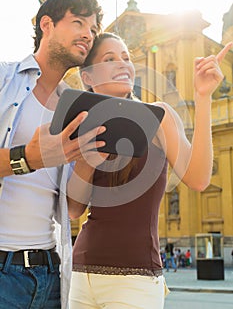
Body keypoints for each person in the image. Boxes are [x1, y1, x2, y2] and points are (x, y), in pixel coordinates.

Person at [67, 32, 232, 309]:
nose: (123, 64)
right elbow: (74, 209)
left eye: (126, 57)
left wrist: (202, 98)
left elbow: (199, 178)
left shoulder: (159, 115)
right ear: (88, 77)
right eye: (110, 59)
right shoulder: (81, 124)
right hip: (82, 273)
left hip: (136, 279)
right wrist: (87, 159)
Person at [0, 0, 104, 309]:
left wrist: (89, 160)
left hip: (50, 274)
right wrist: (28, 158)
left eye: (95, 29)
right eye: (78, 22)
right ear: (46, 24)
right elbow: (31, 159)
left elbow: (73, 211)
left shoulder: (75, 108)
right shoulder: (4, 79)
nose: (89, 33)